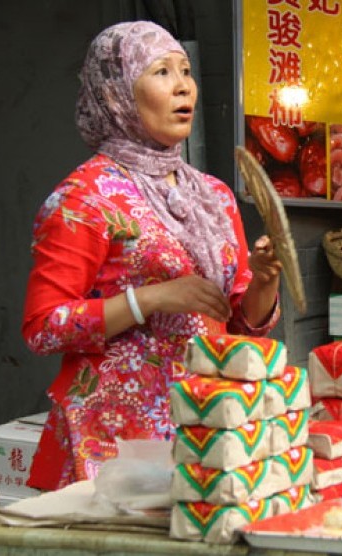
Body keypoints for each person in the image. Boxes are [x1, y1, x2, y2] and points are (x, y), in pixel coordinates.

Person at [22, 21, 282, 491]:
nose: (184, 85)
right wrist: (153, 298)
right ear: (117, 94)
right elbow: (43, 327)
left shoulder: (213, 196)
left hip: (207, 427)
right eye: (161, 72)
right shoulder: (85, 198)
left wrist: (264, 281)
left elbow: (240, 323)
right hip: (114, 448)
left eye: (185, 69)